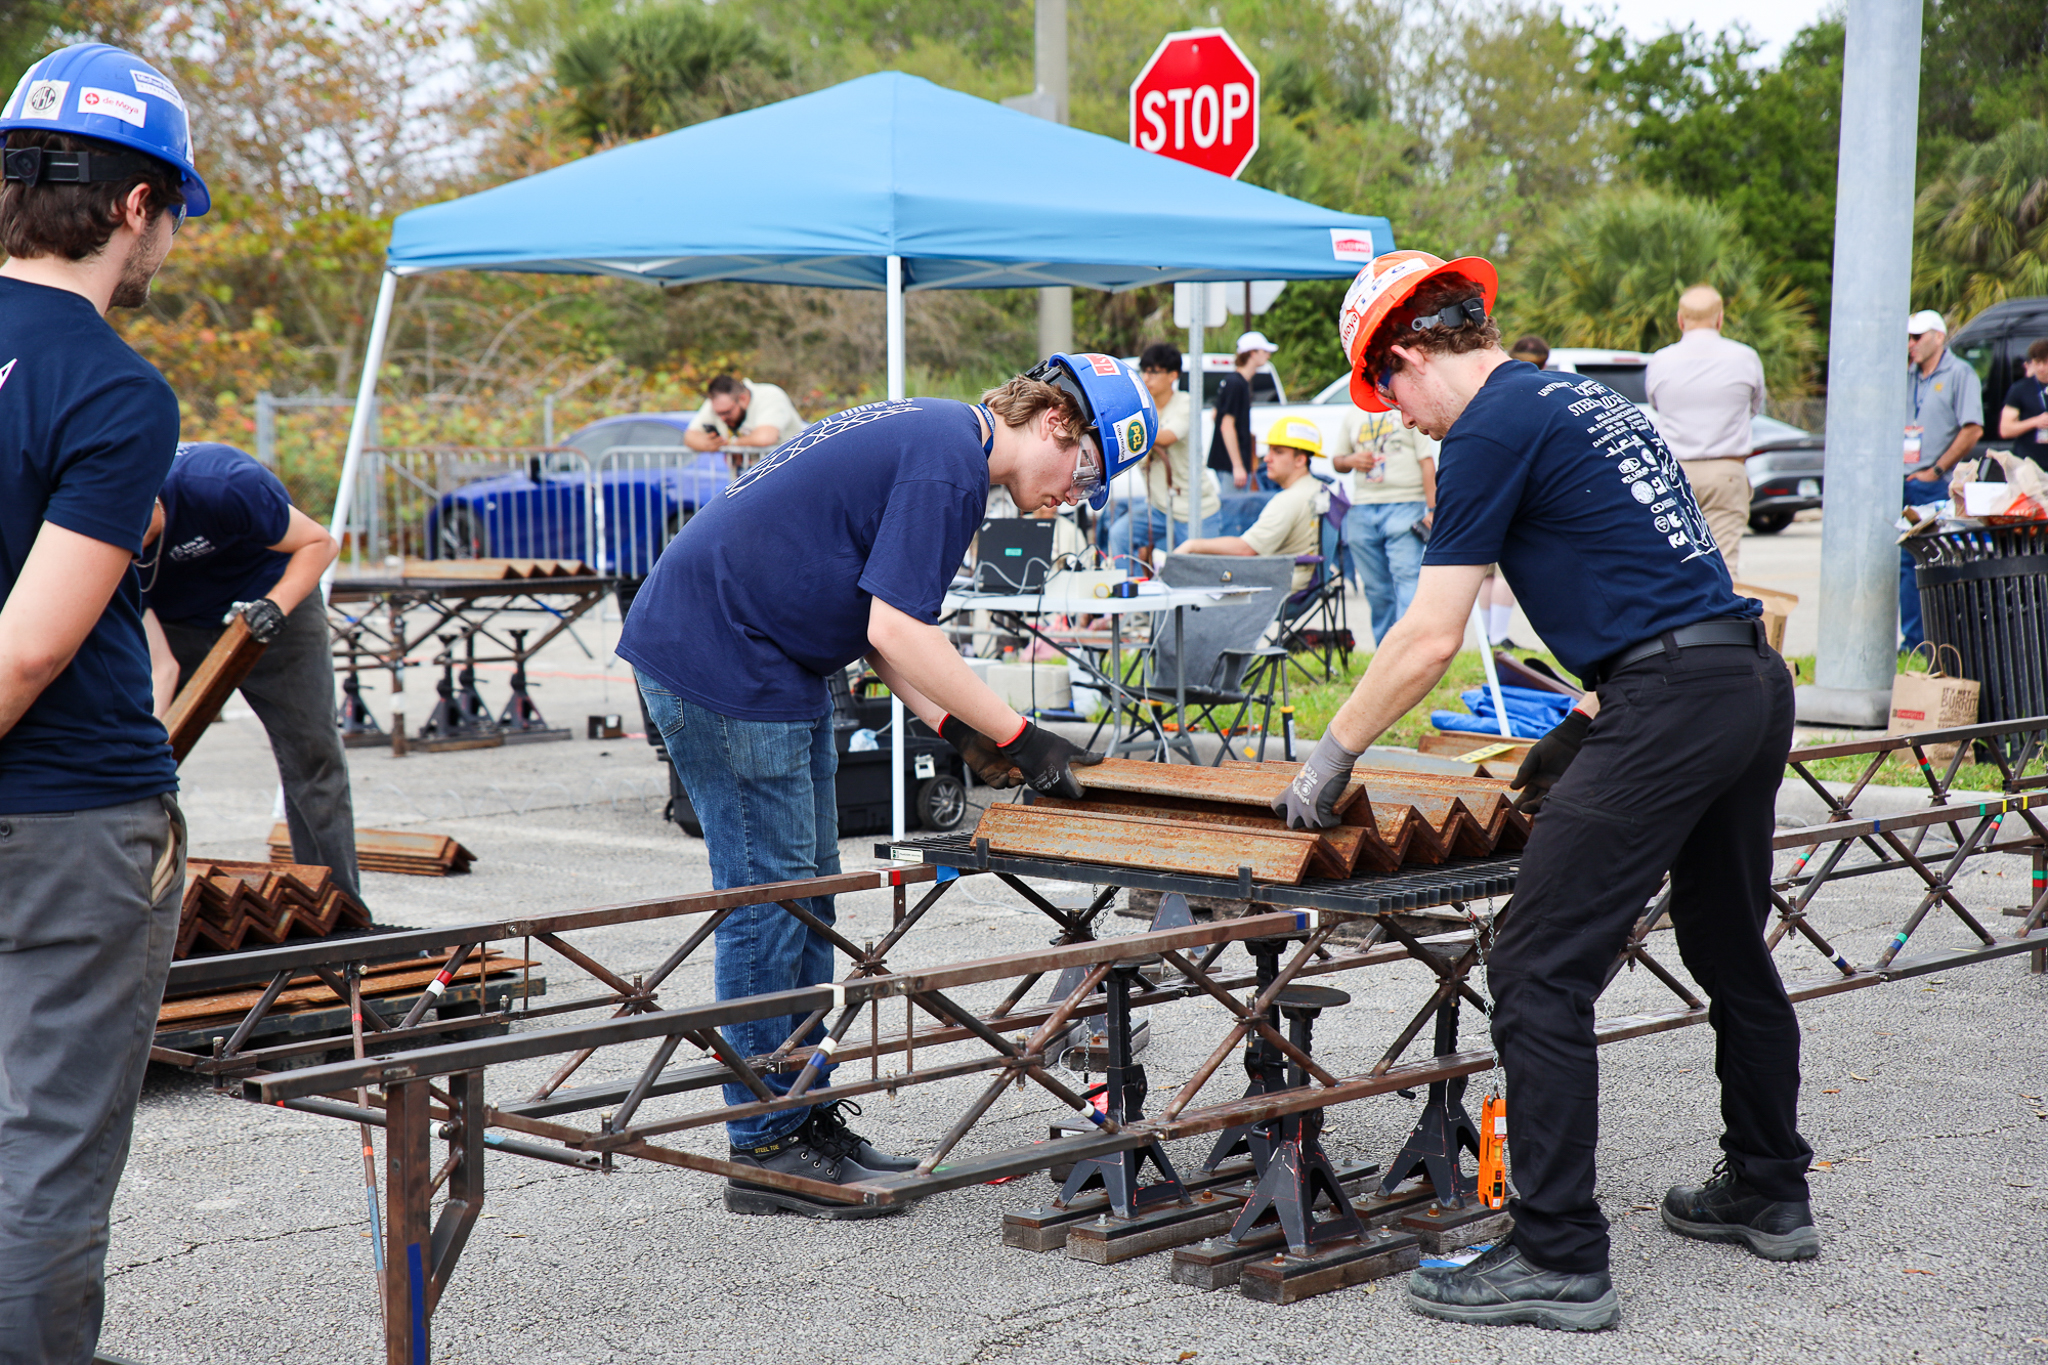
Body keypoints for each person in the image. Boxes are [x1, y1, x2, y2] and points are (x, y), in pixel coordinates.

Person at [1277, 250, 1809, 1333]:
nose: (1401, 421)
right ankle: (1767, 1186)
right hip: (1739, 681)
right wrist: (1584, 713)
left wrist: (1325, 757)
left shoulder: (1484, 428)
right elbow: (1644, 567)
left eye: (1389, 394)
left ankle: (1557, 1252)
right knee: (1723, 947)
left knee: (1534, 963)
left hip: (1670, 696)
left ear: (1412, 353)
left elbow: (1427, 638)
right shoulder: (1568, 393)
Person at [617, 353, 1152, 1217]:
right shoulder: (950, 464)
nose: (1073, 496)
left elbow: (885, 637)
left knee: (811, 898)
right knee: (771, 899)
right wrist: (1023, 736)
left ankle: (803, 1116)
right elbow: (899, 629)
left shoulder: (946, 439)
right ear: (1058, 422)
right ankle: (766, 1149)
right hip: (723, 658)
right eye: (1086, 472)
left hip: (767, 659)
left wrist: (960, 731)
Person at [0, 42, 209, 1362]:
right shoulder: (111, 385)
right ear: (134, 205)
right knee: (47, 1144)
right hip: (68, 823)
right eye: (173, 213)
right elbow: (26, 655)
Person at [139, 443, 359, 901]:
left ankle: (339, 908)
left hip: (275, 601)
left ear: (150, 499)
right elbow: (163, 665)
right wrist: (150, 744)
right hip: (179, 623)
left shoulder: (219, 484)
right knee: (137, 758)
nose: (126, 545)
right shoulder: (98, 539)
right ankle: (143, 901)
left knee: (312, 754)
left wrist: (275, 607)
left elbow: (320, 542)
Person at [1646, 285, 1766, 581]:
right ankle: (1724, 626)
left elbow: (1656, 404)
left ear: (1680, 320)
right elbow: (1755, 407)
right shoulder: (1745, 357)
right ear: (1720, 318)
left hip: (1674, 472)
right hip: (1726, 470)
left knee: (1679, 563)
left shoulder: (1660, 360)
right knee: (1724, 567)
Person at [1900, 310, 1982, 651]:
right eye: (1909, 337)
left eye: (1917, 337)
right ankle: (1914, 641)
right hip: (1904, 480)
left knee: (1935, 558)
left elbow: (1973, 428)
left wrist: (1937, 469)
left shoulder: (1960, 373)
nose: (1911, 344)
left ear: (1938, 336)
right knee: (1906, 560)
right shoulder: (1907, 376)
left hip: (1934, 482)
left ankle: (1940, 639)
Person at [1177, 415, 1329, 593]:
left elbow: (1245, 549)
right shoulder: (1317, 488)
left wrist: (1193, 545)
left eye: (1278, 452)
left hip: (1280, 586)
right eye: (1269, 450)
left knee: (1199, 581)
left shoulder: (1289, 500)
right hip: (1301, 580)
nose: (1266, 458)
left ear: (1300, 460)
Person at [1106, 342, 1222, 562]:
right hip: (1159, 507)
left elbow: (1167, 437)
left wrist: (1127, 427)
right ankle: (1130, 588)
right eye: (1144, 371)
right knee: (1119, 533)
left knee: (1198, 570)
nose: (1146, 378)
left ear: (1172, 376)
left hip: (1195, 509)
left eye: (1154, 372)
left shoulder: (1185, 402)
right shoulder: (1140, 406)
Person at [1334, 410, 1436, 643]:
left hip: (1406, 504)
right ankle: (1386, 652)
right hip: (1362, 508)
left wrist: (1432, 509)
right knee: (1376, 590)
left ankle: (1408, 652)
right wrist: (1350, 461)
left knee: (1407, 580)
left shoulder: (1407, 407)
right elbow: (1338, 460)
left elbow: (1426, 461)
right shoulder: (1352, 415)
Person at [682, 373, 806, 459]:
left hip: (787, 479)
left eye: (727, 412)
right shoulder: (717, 403)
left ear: (742, 398)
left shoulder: (770, 396)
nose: (722, 418)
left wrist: (731, 443)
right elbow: (689, 437)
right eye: (718, 414)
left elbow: (765, 438)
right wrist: (710, 444)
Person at [1210, 330, 1275, 492]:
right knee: (1234, 513)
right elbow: (1226, 424)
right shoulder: (1236, 384)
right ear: (1252, 353)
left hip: (1227, 463)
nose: (1268, 355)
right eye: (1264, 351)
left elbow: (1216, 415)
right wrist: (1237, 465)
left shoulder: (1234, 381)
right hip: (1230, 466)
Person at [1996, 338, 2048, 455]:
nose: (2041, 368)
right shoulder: (2020, 389)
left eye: (2045, 362)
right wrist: (2035, 422)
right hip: (2028, 462)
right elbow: (2005, 430)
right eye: (2037, 363)